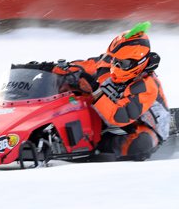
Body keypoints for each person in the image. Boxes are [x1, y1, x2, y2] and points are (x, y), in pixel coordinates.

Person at [54, 22, 170, 161]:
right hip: (106, 117)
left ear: (139, 62)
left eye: (123, 63)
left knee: (140, 145)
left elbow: (120, 116)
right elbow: (84, 66)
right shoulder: (112, 62)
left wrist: (96, 90)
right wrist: (53, 68)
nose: (115, 66)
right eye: (115, 60)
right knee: (76, 92)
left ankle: (96, 155)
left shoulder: (147, 85)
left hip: (141, 126)